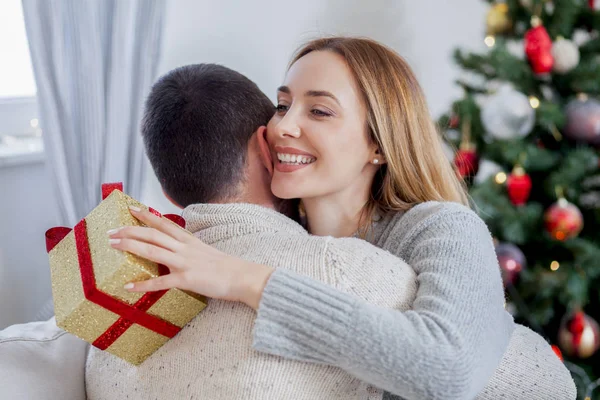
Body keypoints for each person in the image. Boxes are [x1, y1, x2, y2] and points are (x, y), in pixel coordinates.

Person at [105, 57, 576, 399]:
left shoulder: (444, 229)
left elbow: (449, 371)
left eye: (320, 111)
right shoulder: (284, 239)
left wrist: (244, 280)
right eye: (283, 105)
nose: (284, 126)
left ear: (379, 144)